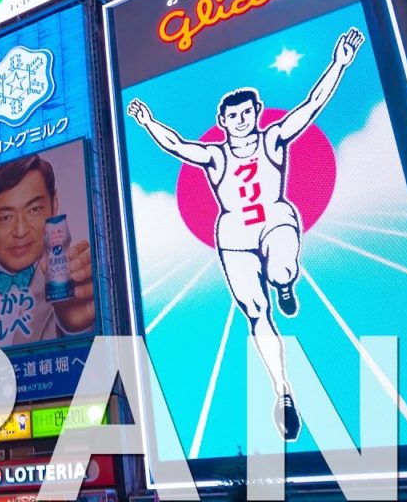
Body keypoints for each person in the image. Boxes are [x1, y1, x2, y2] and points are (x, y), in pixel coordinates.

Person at [126, 28, 365, 442]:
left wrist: (339, 63)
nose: (242, 121)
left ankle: (285, 283)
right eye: (234, 116)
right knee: (256, 311)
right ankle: (283, 391)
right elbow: (178, 145)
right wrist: (148, 123)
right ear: (223, 122)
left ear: (257, 113)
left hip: (274, 219)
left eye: (247, 113)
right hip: (234, 235)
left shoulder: (273, 138)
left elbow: (312, 105)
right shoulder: (215, 155)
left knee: (281, 267)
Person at [0, 153, 95, 346]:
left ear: (54, 205)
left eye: (34, 210)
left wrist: (77, 329)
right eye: (6, 217)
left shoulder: (76, 285)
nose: (20, 231)